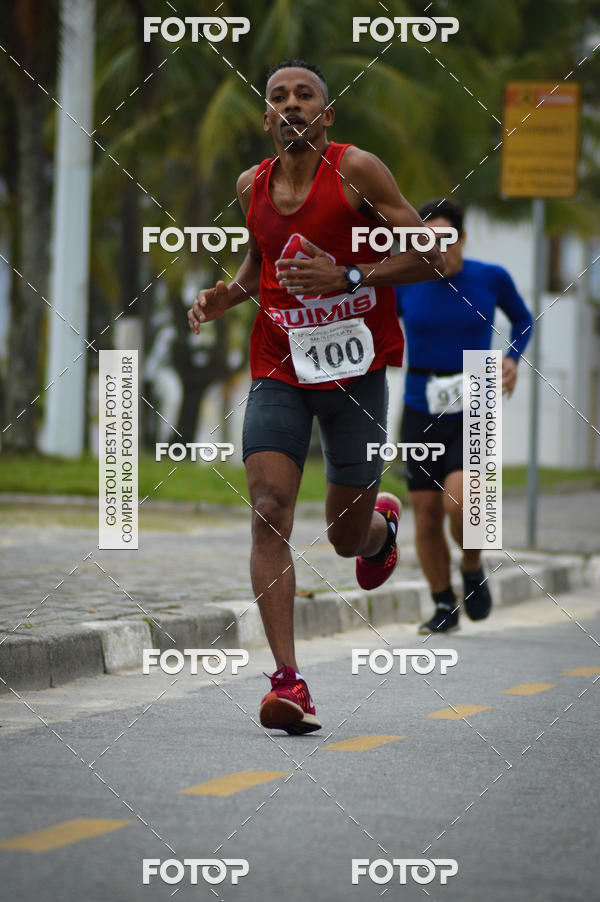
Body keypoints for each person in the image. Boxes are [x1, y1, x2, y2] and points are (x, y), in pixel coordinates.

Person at [188, 60, 445, 733]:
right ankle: (288, 683)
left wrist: (350, 273)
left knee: (341, 535)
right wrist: (226, 296)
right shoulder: (253, 186)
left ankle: (378, 529)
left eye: (306, 96)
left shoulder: (357, 170)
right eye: (279, 98)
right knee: (269, 510)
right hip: (280, 366)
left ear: (326, 116)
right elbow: (261, 260)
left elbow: (434, 258)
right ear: (267, 119)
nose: (292, 105)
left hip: (356, 374)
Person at [395, 198, 533, 634]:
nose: (436, 247)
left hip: (476, 393)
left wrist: (512, 358)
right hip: (419, 402)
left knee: (465, 503)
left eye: (445, 237)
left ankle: (472, 566)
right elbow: (375, 321)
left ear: (462, 236)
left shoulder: (490, 277)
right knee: (426, 512)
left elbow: (524, 320)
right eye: (426, 238)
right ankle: (443, 604)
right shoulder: (406, 281)